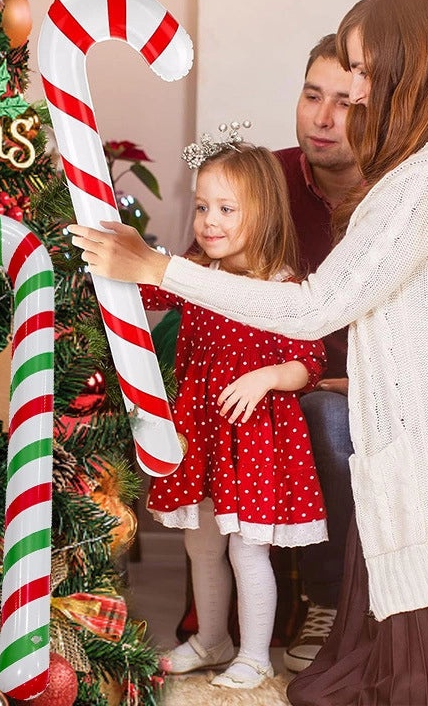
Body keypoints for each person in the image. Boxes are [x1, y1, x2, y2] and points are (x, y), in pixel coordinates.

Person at [69, 0, 428, 705]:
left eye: (363, 79)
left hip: (410, 433)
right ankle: (232, 630)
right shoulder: (416, 169)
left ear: (409, 73)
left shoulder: (420, 178)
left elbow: (316, 308)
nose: (349, 99)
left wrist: (160, 266)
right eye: (332, 83)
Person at [139, 139, 329, 689]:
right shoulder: (194, 275)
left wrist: (266, 376)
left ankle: (254, 654)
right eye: (201, 207)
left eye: (226, 209)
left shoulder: (280, 286)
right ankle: (212, 638)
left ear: (263, 213)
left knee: (248, 549)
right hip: (202, 433)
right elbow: (144, 289)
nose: (209, 221)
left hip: (255, 438)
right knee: (201, 544)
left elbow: (307, 364)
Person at [276, 33, 362, 673]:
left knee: (348, 419)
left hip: (377, 380)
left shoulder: (399, 191)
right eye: (313, 96)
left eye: (345, 104)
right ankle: (326, 601)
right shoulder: (268, 178)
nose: (324, 119)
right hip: (283, 380)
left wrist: (355, 380)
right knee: (331, 426)